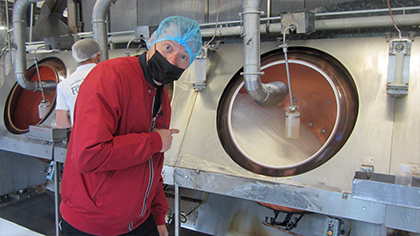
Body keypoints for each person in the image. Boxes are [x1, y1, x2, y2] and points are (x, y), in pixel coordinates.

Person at [60, 16, 202, 236]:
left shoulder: (161, 94)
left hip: (138, 221)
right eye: (168, 47)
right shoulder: (111, 75)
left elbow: (151, 163)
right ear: (153, 40)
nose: (172, 60)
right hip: (94, 224)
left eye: (183, 56)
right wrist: (155, 141)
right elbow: (88, 155)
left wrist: (158, 214)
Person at [55, 38, 101, 128]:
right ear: (97, 56)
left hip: (81, 137)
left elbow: (61, 123)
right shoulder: (108, 75)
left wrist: (76, 119)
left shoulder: (64, 85)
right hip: (108, 135)